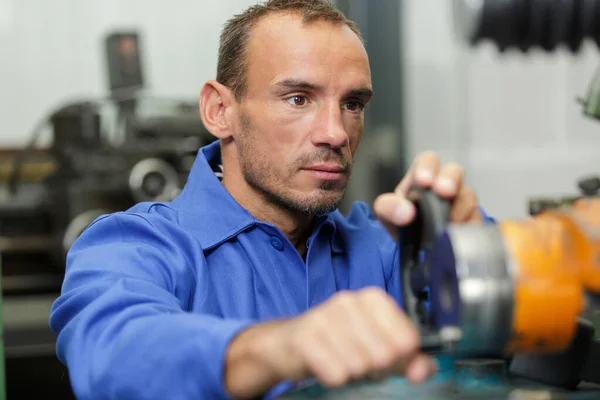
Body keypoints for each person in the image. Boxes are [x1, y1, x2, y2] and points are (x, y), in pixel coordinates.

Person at [49, 1, 493, 399]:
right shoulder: (134, 246)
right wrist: (285, 345)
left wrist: (475, 252)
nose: (336, 133)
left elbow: (534, 325)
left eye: (353, 103)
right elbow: (111, 353)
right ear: (219, 111)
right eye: (299, 98)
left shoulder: (390, 248)